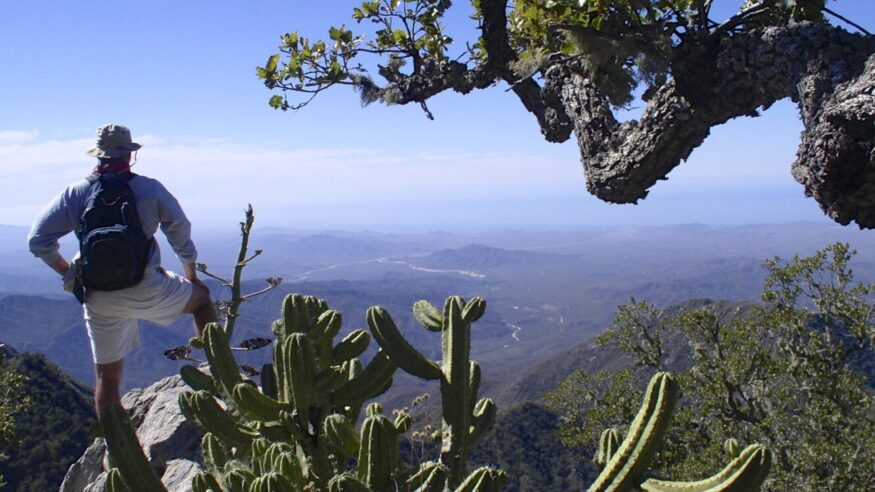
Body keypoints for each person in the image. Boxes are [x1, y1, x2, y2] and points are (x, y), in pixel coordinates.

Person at [27, 123, 217, 415]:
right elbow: (180, 234)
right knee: (202, 302)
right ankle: (219, 375)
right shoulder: (149, 189)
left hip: (98, 295)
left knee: (107, 378)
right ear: (130, 154)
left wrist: (68, 274)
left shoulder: (76, 193)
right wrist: (192, 276)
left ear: (98, 155)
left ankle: (116, 440)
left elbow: (38, 240)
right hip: (147, 286)